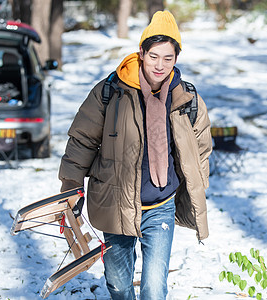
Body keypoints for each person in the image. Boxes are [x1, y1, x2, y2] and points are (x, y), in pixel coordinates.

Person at [59, 10, 212, 300]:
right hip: (116, 202)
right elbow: (82, 140)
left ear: (176, 59)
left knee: (155, 289)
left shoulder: (186, 98)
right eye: (154, 56)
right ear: (141, 52)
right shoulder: (111, 91)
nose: (160, 65)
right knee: (118, 283)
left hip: (161, 204)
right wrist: (70, 188)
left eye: (168, 58)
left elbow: (202, 144)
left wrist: (196, 183)